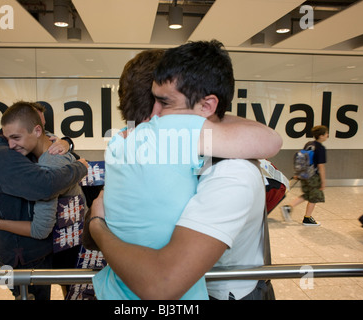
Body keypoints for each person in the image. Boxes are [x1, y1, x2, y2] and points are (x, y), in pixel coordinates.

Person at [87, 40, 282, 300]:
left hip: (224, 292)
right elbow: (270, 139)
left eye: (165, 104)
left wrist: (97, 226)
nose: (154, 120)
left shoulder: (231, 172)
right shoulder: (160, 145)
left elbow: (161, 283)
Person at [0, 105, 88, 300]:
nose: (11, 145)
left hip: (59, 246)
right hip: (65, 242)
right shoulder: (38, 151)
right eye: (7, 139)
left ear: (38, 130)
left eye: (16, 138)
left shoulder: (49, 164)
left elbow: (41, 228)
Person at [281, 125, 329, 226]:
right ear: (321, 136)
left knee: (307, 194)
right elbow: (321, 166)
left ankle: (288, 207)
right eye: (326, 134)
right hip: (313, 176)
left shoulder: (309, 144)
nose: (327, 136)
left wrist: (298, 174)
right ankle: (307, 218)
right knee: (314, 197)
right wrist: (323, 181)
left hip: (303, 174)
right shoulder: (320, 148)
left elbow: (302, 160)